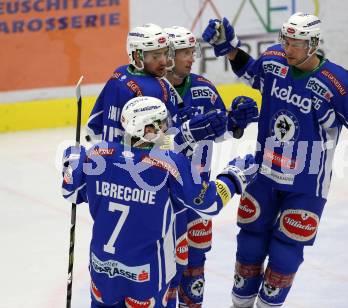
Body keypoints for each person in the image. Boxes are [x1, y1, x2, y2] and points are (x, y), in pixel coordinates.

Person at [202, 12, 348, 307]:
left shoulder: (336, 82)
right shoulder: (273, 61)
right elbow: (253, 72)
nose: (288, 48)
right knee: (250, 243)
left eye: (296, 43)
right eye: (286, 40)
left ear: (313, 44)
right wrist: (230, 49)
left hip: (306, 183)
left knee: (285, 251)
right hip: (264, 172)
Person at [62, 96, 257, 308]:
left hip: (103, 269)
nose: (167, 127)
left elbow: (70, 191)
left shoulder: (97, 154)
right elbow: (208, 203)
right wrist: (233, 176)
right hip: (146, 274)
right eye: (162, 123)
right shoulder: (171, 165)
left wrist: (71, 161)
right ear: (146, 128)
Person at [163, 25, 259, 307]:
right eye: (184, 52)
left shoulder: (203, 88)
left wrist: (236, 122)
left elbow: (220, 129)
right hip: (163, 197)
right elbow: (143, 147)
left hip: (199, 193)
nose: (192, 57)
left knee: (195, 269)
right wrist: (184, 134)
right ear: (167, 55)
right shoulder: (152, 93)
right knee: (167, 270)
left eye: (193, 51)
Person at [85, 23, 226, 152]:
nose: (164, 61)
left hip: (109, 163)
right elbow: (162, 144)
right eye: (156, 56)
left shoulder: (118, 75)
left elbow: (93, 129)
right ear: (136, 55)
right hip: (141, 170)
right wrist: (187, 131)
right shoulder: (158, 88)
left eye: (165, 53)